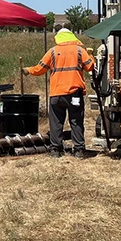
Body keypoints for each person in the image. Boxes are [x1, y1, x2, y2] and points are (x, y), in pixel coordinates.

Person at [23, 28, 95, 158]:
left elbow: (39, 69)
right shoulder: (80, 50)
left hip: (56, 95)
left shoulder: (52, 51)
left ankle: (55, 150)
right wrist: (90, 55)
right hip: (74, 94)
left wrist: (29, 70)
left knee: (56, 122)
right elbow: (90, 67)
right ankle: (78, 150)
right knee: (76, 121)